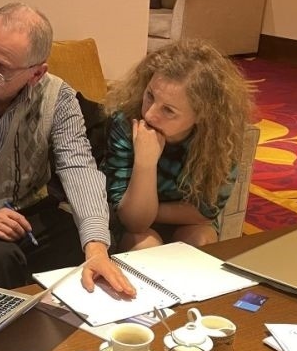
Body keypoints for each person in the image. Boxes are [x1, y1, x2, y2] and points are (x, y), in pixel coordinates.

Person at [0, 2, 134, 299]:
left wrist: (96, 247)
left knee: (90, 241)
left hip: (29, 212)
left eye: (1, 68)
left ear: (36, 74)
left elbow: (78, 166)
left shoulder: (59, 98)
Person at [102, 39, 253, 251]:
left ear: (201, 115)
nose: (150, 114)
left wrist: (154, 210)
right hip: (133, 224)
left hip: (186, 222)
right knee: (146, 246)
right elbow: (134, 221)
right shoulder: (126, 123)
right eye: (150, 95)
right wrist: (145, 163)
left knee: (200, 240)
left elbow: (205, 212)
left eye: (168, 110)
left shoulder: (219, 138)